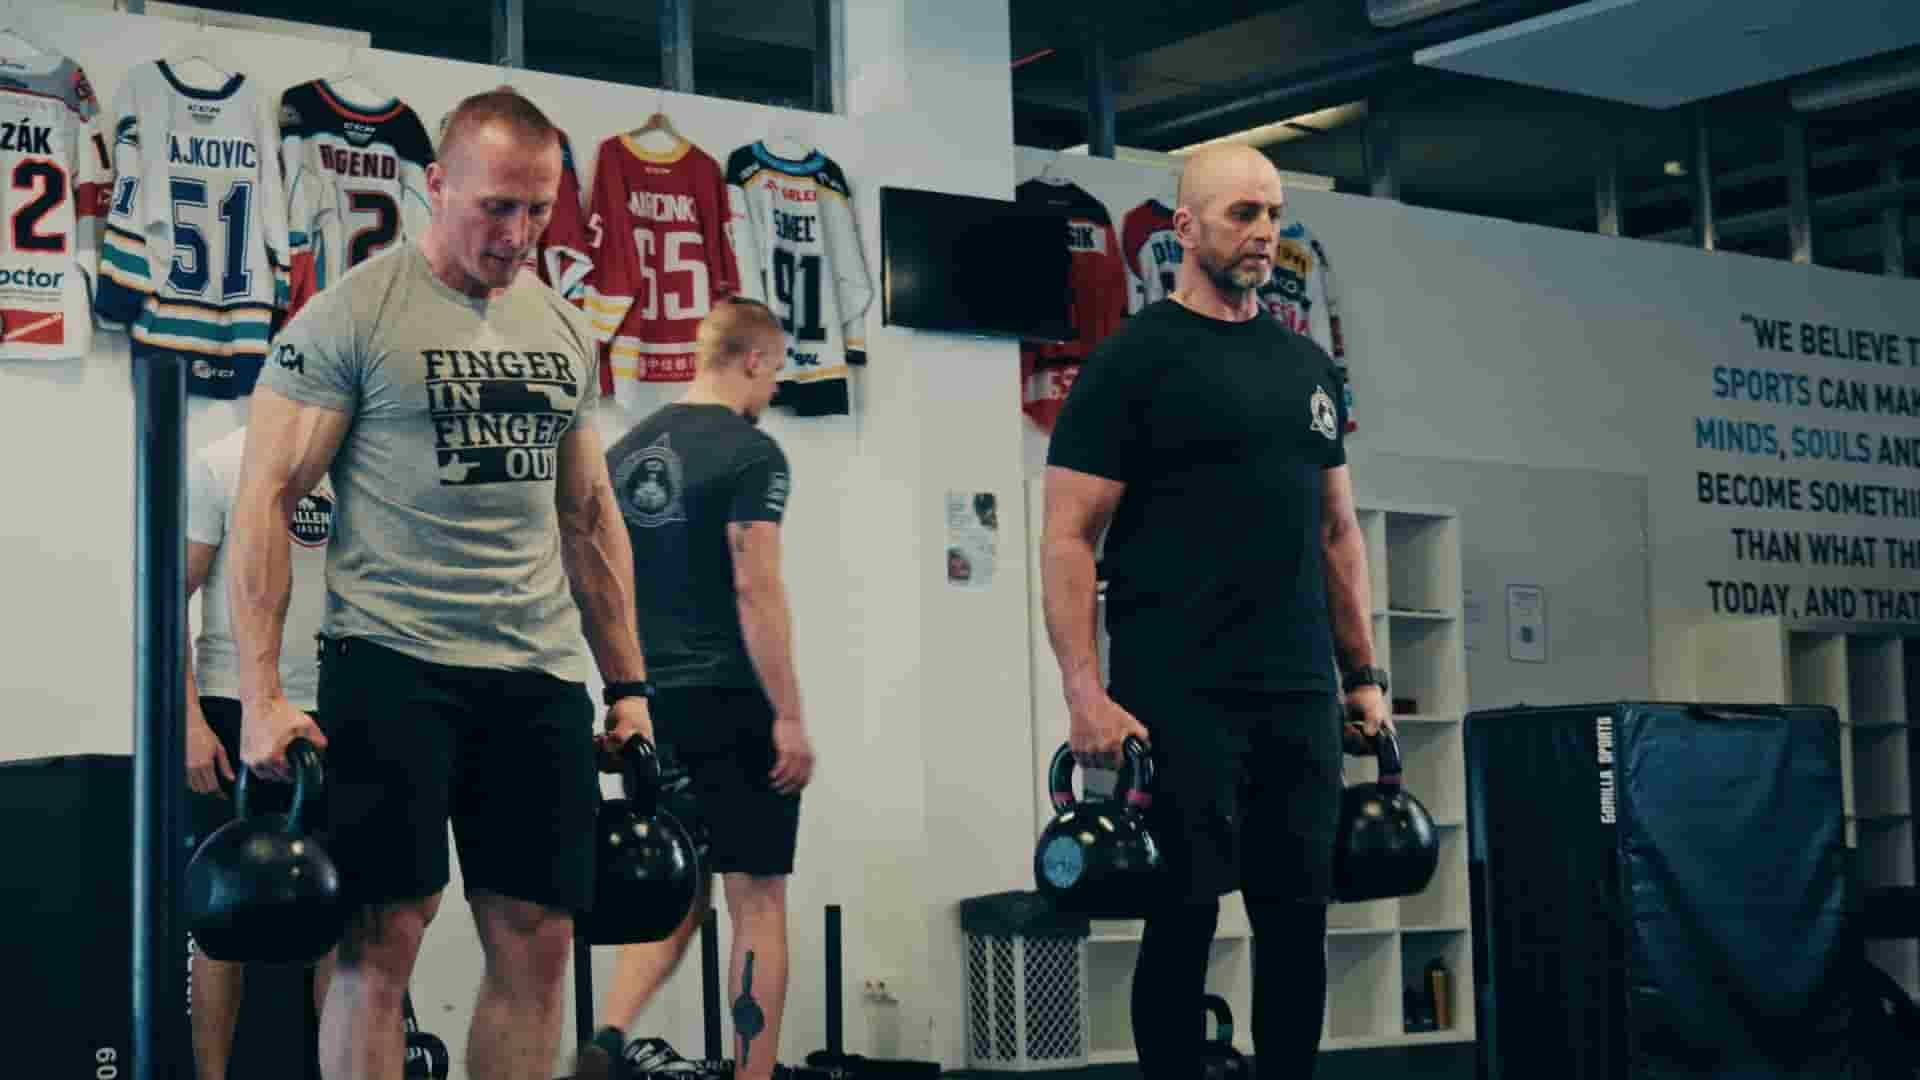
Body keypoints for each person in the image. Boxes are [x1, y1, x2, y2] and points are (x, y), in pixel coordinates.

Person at [228, 88, 654, 1080]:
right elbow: (267, 496)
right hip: (393, 662)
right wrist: (261, 694)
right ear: (436, 185)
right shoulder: (352, 314)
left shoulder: (564, 328)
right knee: (380, 940)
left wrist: (628, 686)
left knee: (541, 941)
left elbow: (589, 515)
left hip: (536, 673)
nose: (517, 234)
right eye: (496, 206)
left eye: (538, 209)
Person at [1038, 143, 1392, 1080]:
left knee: (1296, 922)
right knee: (1182, 915)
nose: (1264, 232)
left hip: (1297, 694)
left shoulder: (1308, 366)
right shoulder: (1131, 361)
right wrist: (1084, 694)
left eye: (1273, 213)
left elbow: (1338, 532)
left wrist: (1362, 676)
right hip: (1176, 693)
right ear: (1186, 227)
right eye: (1243, 214)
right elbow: (1068, 537)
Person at [579, 298, 816, 1080]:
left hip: (651, 700)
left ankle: (609, 1036)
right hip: (732, 697)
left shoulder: (624, 453)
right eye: (774, 373)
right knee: (758, 898)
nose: (772, 390)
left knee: (681, 884)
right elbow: (756, 584)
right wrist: (789, 716)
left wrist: (623, 691)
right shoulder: (752, 453)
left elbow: (599, 580)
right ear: (753, 359)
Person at [183, 423, 336, 1080]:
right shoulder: (220, 464)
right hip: (232, 708)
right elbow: (167, 598)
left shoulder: (362, 458)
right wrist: (190, 723)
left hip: (338, 708)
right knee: (221, 920)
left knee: (344, 916)